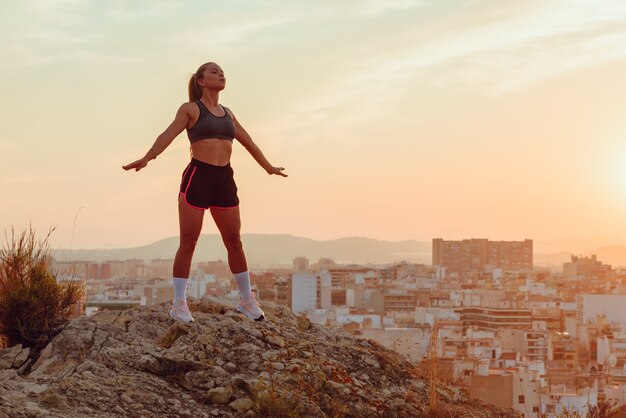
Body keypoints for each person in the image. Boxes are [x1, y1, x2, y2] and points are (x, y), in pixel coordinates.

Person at [123, 62, 287, 323]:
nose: (221, 74)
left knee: (234, 241)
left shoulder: (228, 113)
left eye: (222, 71)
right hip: (198, 178)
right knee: (189, 241)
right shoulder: (190, 109)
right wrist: (147, 158)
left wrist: (268, 167)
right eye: (214, 71)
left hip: (224, 179)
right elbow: (167, 134)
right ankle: (179, 303)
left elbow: (249, 142)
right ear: (201, 81)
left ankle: (246, 300)